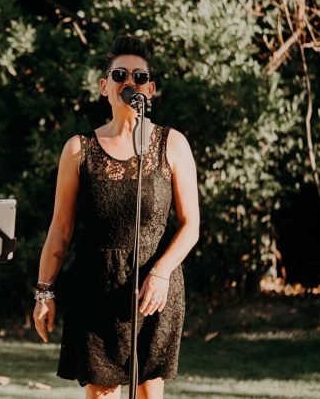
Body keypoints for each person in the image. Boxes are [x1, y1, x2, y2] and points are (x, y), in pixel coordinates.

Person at [33, 36, 200, 399]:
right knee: (101, 393)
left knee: (147, 391)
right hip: (95, 287)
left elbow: (191, 226)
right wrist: (44, 290)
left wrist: (161, 271)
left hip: (153, 289)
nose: (130, 83)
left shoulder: (173, 144)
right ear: (104, 86)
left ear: (150, 89)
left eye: (139, 77)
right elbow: (61, 229)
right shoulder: (79, 149)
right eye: (120, 74)